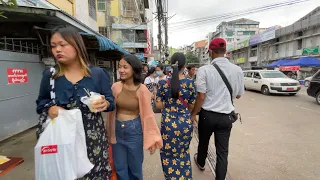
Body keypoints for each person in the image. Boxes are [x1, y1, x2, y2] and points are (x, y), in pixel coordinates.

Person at [36, 26, 115, 179]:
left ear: (76, 45)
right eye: (53, 46)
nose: (57, 49)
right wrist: (50, 108)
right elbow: (41, 102)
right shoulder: (50, 76)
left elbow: (110, 102)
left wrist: (105, 104)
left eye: (62, 44)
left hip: (93, 143)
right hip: (61, 141)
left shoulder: (98, 74)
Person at [191, 38, 244, 180]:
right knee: (222, 152)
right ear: (225, 51)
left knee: (203, 142)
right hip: (226, 117)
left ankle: (201, 162)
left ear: (210, 52)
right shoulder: (237, 70)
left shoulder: (204, 70)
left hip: (207, 116)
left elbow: (201, 96)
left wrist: (193, 114)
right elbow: (238, 95)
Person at [107, 54, 162, 180]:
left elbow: (148, 116)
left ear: (134, 69)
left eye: (125, 67)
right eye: (120, 67)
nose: (121, 70)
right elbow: (110, 110)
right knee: (120, 167)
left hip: (134, 130)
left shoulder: (142, 90)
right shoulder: (115, 87)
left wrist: (153, 138)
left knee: (135, 168)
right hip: (117, 131)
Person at [156, 52, 197, 180]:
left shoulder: (162, 83)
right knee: (183, 153)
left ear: (170, 65)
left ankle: (171, 177)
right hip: (185, 123)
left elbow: (158, 106)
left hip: (168, 124)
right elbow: (191, 105)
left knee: (168, 155)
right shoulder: (190, 83)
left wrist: (167, 103)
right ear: (185, 66)